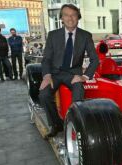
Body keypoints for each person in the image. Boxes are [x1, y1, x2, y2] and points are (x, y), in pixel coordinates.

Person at [39, 4, 99, 138]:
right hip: (54, 73)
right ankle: (56, 124)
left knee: (79, 92)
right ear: (61, 18)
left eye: (73, 15)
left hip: (73, 74)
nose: (70, 18)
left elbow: (95, 60)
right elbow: (46, 58)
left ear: (78, 18)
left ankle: (74, 126)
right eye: (66, 15)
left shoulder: (85, 36)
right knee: (44, 95)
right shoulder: (53, 35)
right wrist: (47, 76)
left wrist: (84, 77)